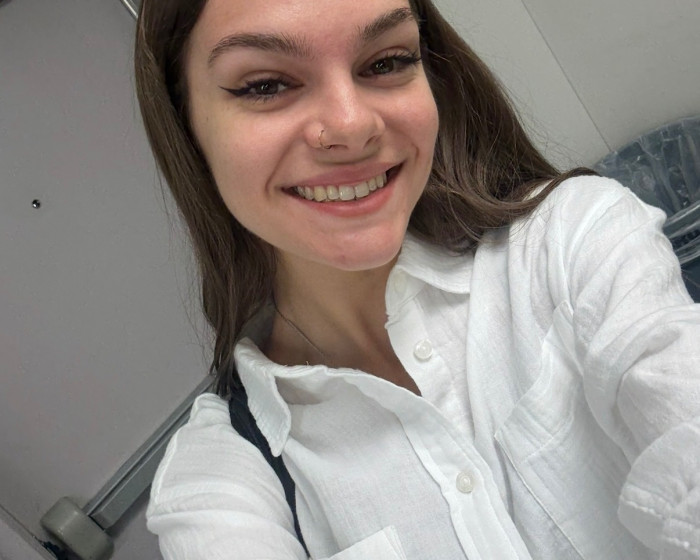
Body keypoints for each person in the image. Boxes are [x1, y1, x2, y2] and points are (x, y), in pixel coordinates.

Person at [134, 0, 700, 558]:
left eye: (386, 61)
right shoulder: (219, 480)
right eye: (266, 85)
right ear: (187, 127)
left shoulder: (574, 237)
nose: (353, 125)